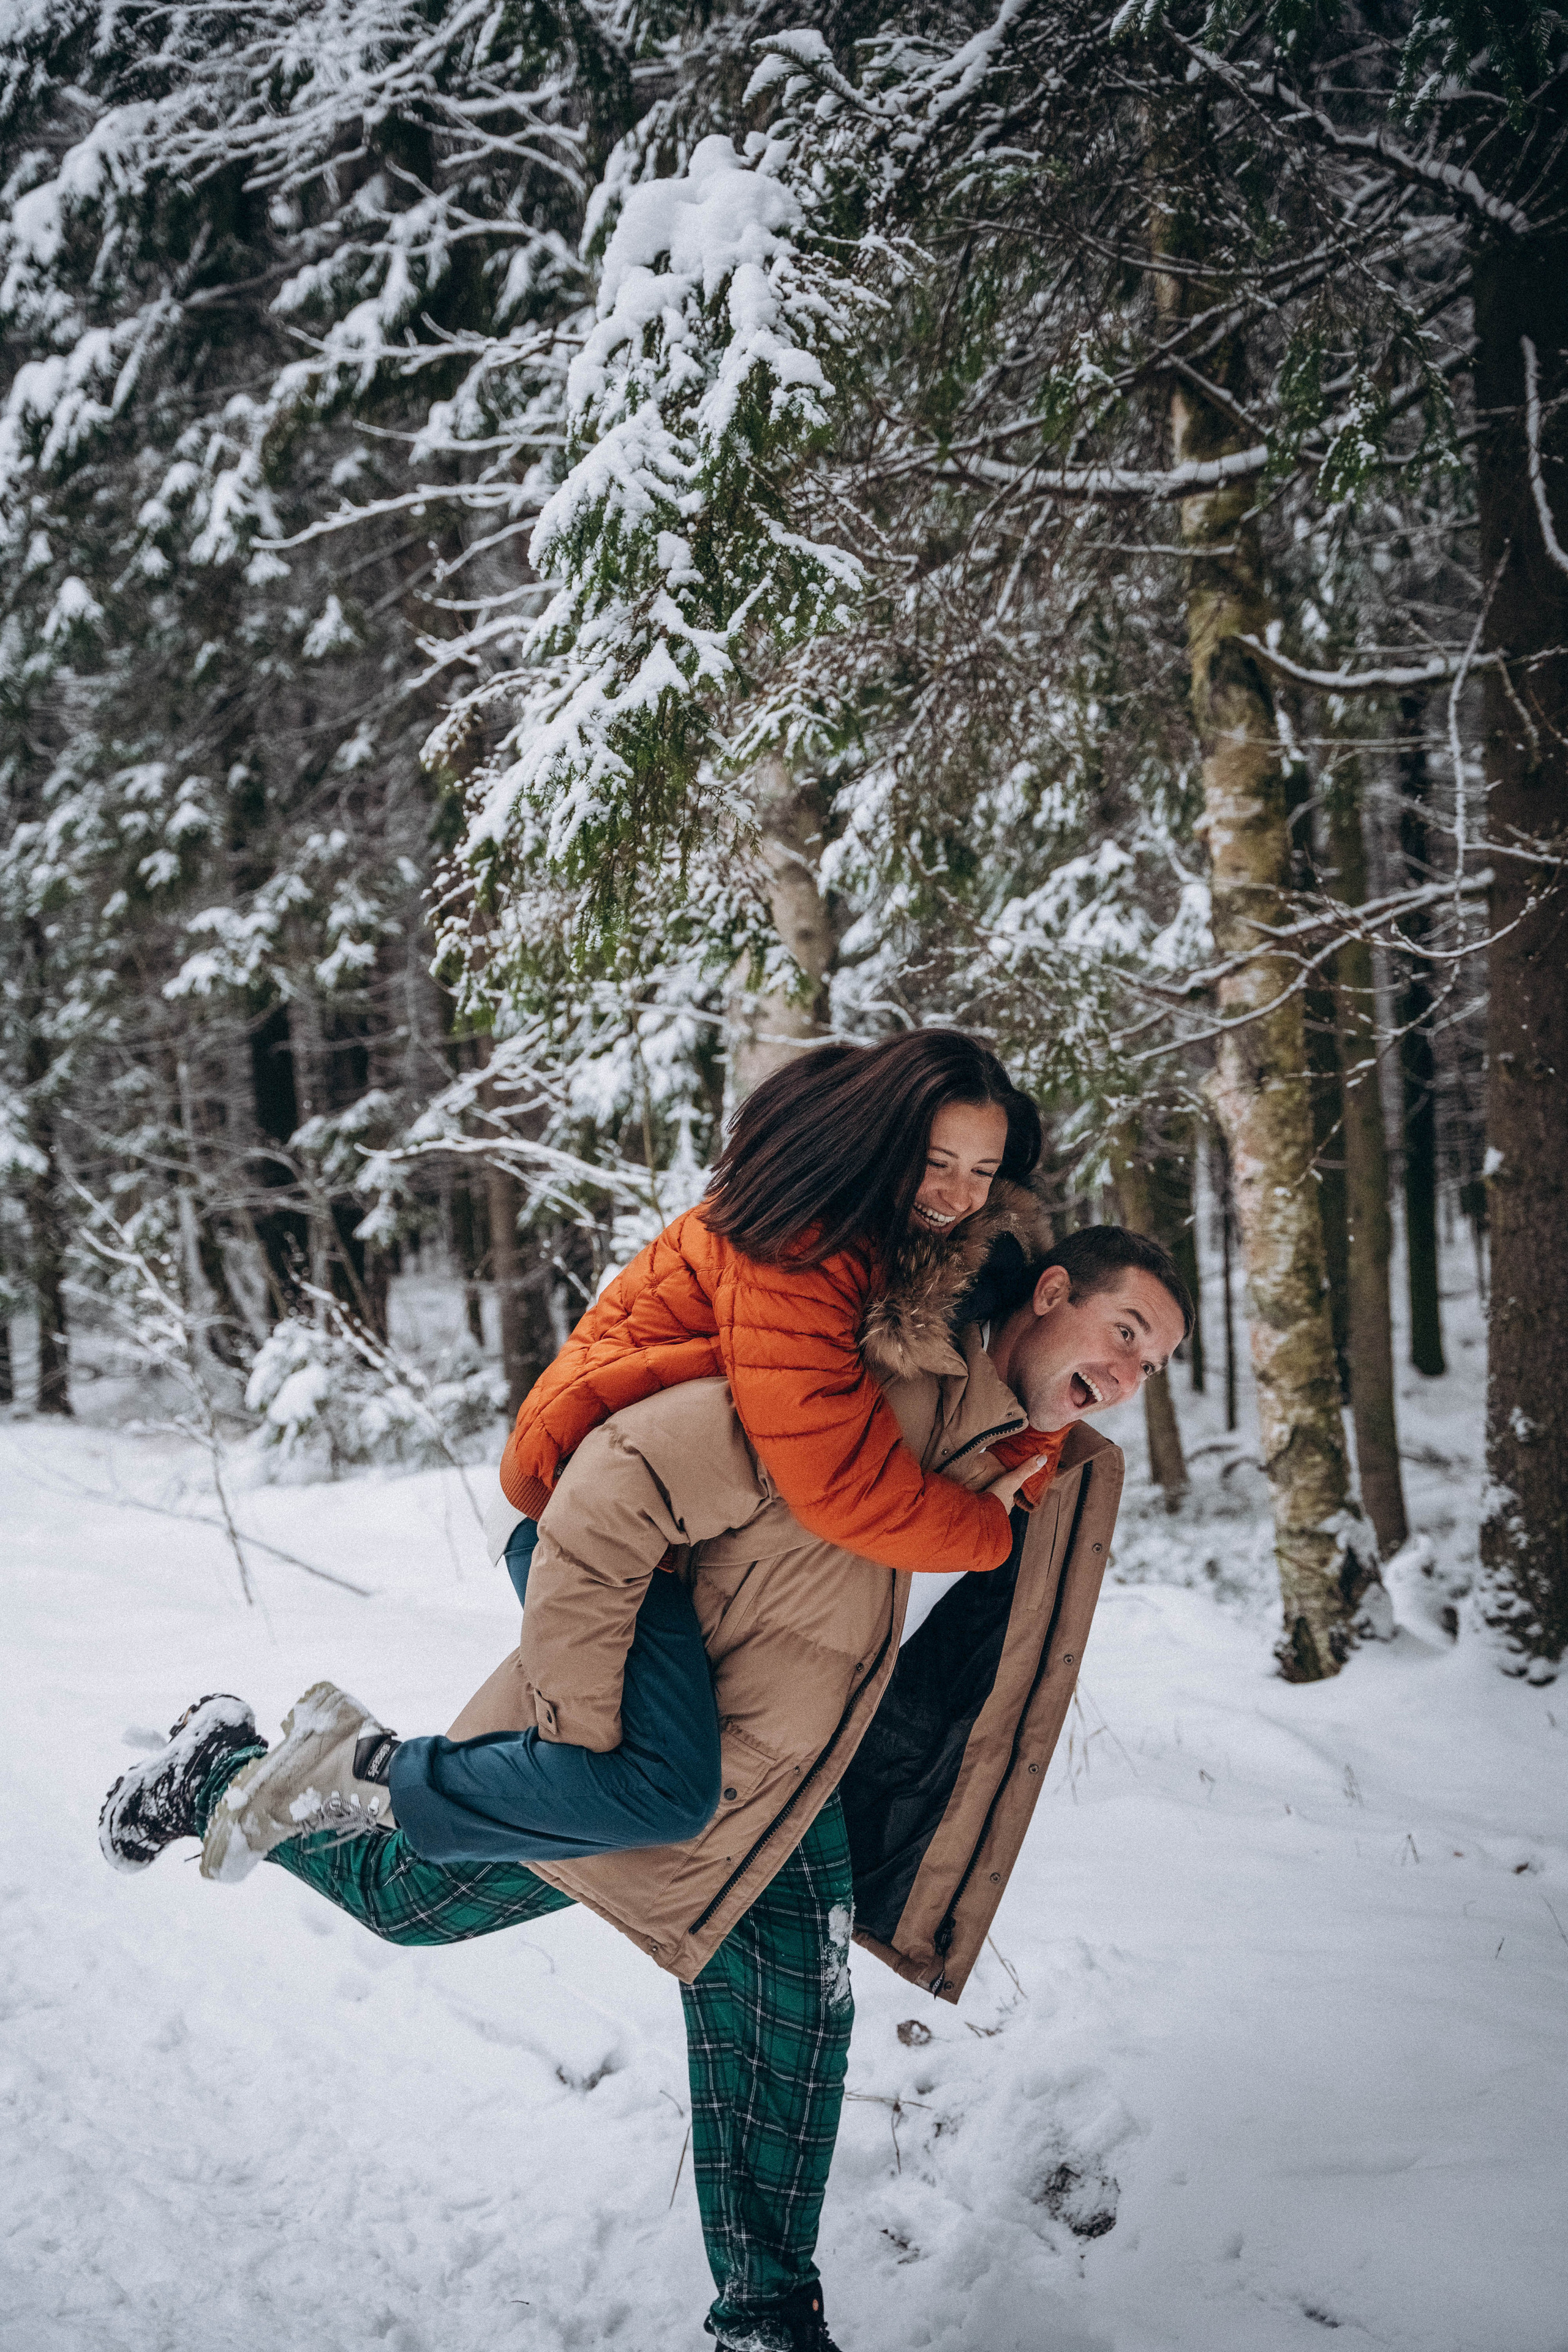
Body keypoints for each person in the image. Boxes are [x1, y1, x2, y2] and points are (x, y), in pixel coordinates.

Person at [100, 1221, 1191, 2352]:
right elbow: (608, 1486)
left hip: (788, 1784)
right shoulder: (872, 1370)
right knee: (409, 1900)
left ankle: (768, 2320)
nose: (1125, 1377)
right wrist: (587, 1728)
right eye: (1122, 1333)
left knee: (790, 2026)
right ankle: (223, 1767)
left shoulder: (1052, 1470)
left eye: (1150, 1365)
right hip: (650, 1731)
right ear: (1052, 1291)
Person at [164, 1030, 1061, 1883]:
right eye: (937, 1163)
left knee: (639, 1801)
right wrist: (989, 1531)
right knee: (642, 1793)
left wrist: (1041, 1413)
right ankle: (347, 1769)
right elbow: (838, 1484)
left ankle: (341, 1769)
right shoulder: (804, 1244)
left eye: (983, 1171)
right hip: (577, 1514)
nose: (958, 1195)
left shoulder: (893, 1254)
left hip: (659, 1526)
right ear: (883, 1140)